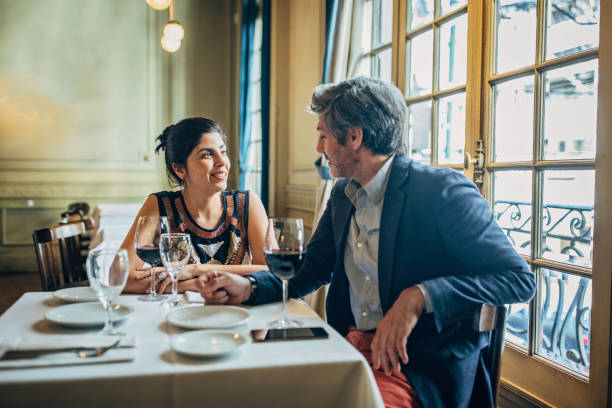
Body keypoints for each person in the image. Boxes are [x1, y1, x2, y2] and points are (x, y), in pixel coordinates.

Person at [194, 77, 536, 408]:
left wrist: (418, 297)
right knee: (251, 387)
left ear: (354, 137)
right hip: (347, 347)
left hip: (414, 367)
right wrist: (247, 286)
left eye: (323, 135)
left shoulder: (442, 191)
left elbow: (518, 280)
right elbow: (311, 269)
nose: (318, 149)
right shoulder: (344, 195)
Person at [121, 117, 269, 294]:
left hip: (235, 314)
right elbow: (118, 276)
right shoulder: (159, 205)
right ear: (180, 169)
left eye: (223, 152)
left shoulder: (248, 203)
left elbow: (271, 271)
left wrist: (196, 270)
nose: (222, 162)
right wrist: (191, 285)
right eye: (207, 154)